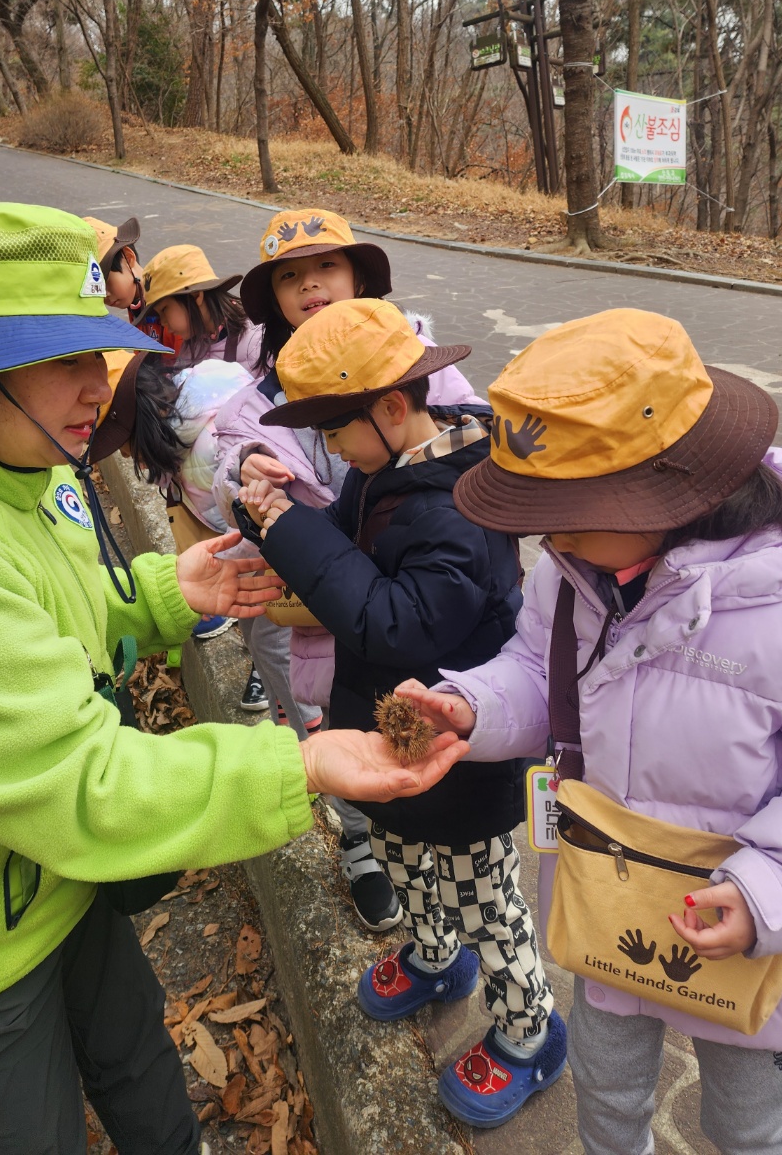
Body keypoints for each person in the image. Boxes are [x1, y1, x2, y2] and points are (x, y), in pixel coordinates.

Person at [0, 202, 469, 1155]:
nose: (97, 384)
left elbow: (45, 612)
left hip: (47, 874)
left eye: (99, 351)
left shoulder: (9, 469)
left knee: (138, 1067)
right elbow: (81, 784)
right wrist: (303, 766)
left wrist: (163, 590)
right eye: (65, 358)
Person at [398, 307, 782, 1154]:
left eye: (566, 509)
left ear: (668, 488)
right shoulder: (575, 574)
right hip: (606, 900)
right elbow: (539, 672)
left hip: (750, 924)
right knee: (607, 1098)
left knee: (749, 1124)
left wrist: (772, 893)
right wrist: (471, 706)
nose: (546, 534)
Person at [242, 298, 562, 1129]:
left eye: (336, 431)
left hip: (461, 756)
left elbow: (392, 618)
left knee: (486, 899)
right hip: (387, 738)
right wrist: (289, 512)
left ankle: (530, 1032)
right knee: (403, 858)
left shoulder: (459, 505)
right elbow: (348, 550)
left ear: (390, 410)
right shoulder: (384, 468)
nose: (332, 450)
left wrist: (286, 529)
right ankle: (432, 954)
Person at [213, 208, 482, 927]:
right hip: (314, 617)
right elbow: (229, 474)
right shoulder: (262, 400)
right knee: (338, 737)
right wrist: (244, 475)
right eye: (290, 279)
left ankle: (434, 905)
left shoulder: (414, 365)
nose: (311, 288)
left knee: (431, 776)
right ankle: (366, 847)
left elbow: (458, 441)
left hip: (416, 623)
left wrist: (291, 525)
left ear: (360, 277)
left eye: (325, 269)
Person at [92, 349, 250, 651]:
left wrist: (223, 569)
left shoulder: (208, 446)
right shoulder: (178, 420)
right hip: (230, 550)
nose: (125, 455)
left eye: (122, 444)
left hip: (258, 563)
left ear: (140, 422)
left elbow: (247, 523)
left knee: (269, 640)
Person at [136, 243, 263, 375]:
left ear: (196, 296)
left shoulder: (255, 343)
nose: (162, 322)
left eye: (164, 310)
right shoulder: (191, 344)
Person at [83, 214, 146, 322]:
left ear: (129, 258)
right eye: (96, 288)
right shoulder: (135, 302)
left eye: (105, 282)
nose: (104, 294)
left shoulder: (168, 300)